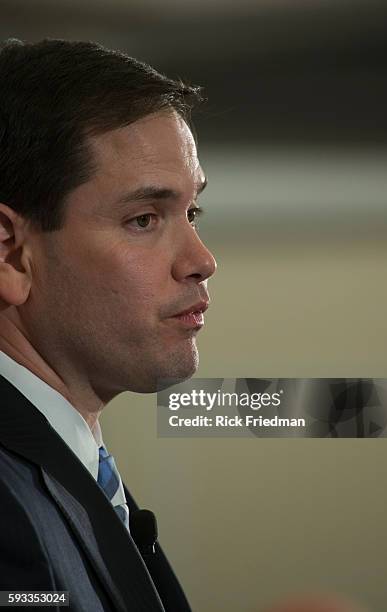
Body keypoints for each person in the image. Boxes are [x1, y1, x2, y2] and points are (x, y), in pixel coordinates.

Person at [0, 38, 216, 611]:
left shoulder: (63, 465)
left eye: (191, 212)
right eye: (144, 218)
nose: (201, 260)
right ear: (10, 255)